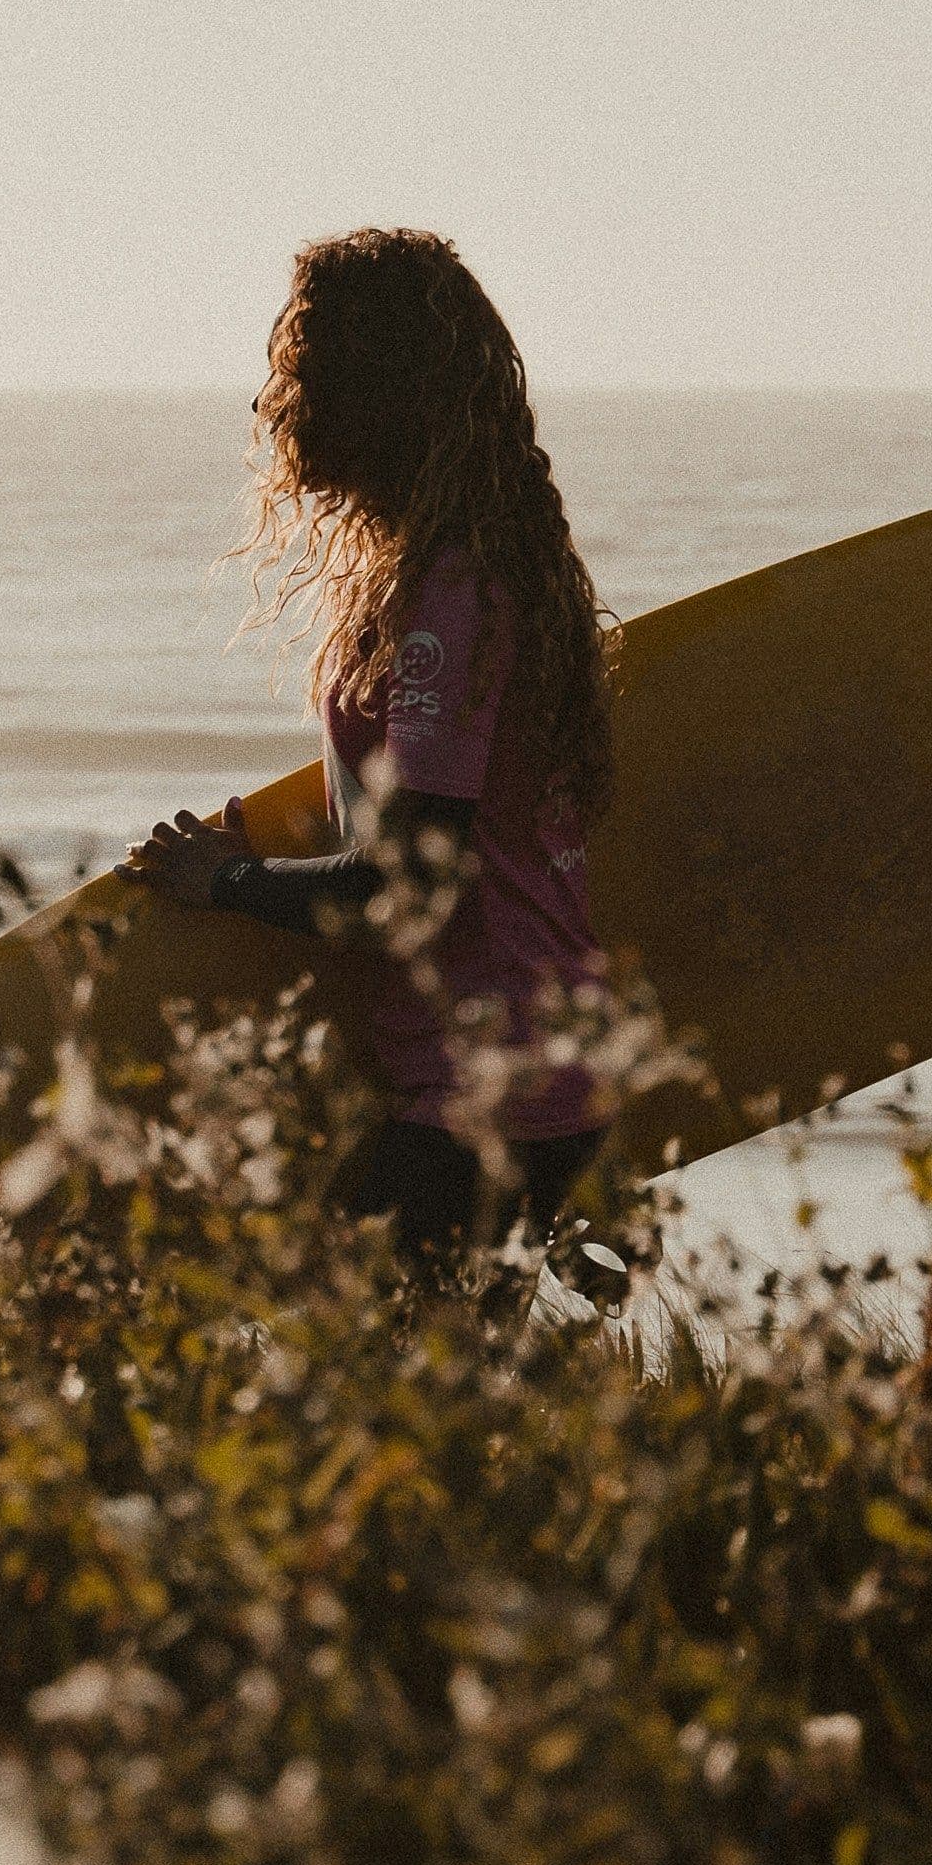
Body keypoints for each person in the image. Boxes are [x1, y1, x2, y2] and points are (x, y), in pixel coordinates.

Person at [119, 227, 620, 1307]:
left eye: (302, 369)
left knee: (350, 1375)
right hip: (531, 1072)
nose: (279, 402)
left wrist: (226, 881)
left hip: (483, 1091)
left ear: (369, 392)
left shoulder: (449, 593)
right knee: (421, 1386)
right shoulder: (479, 568)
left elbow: (409, 882)